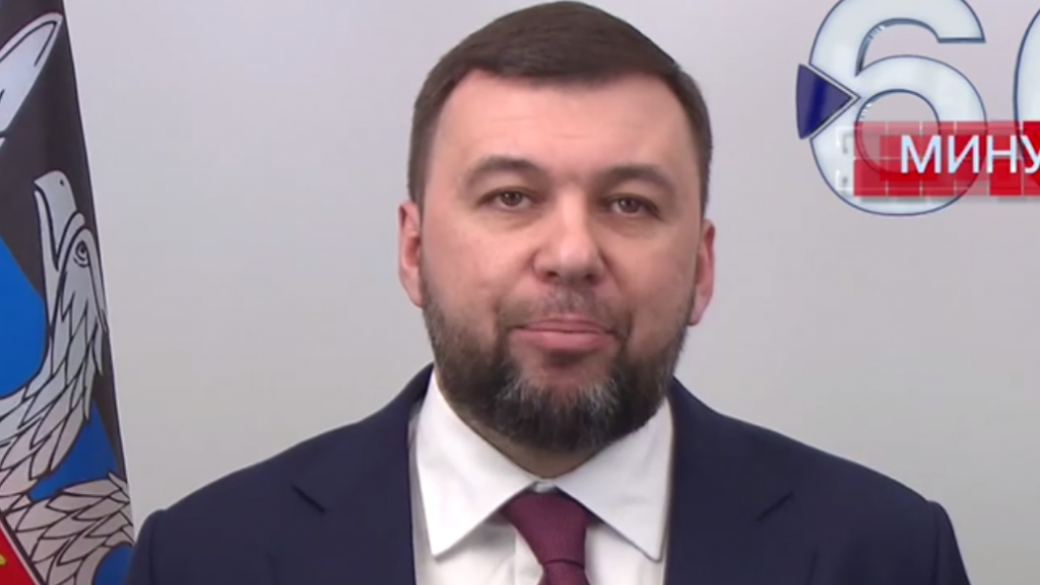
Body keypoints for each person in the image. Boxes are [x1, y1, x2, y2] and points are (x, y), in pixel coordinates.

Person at [122, 2, 972, 584]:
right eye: (511, 197)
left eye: (629, 203)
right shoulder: (205, 557)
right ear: (414, 250)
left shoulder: (887, 554)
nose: (571, 253)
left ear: (702, 267)